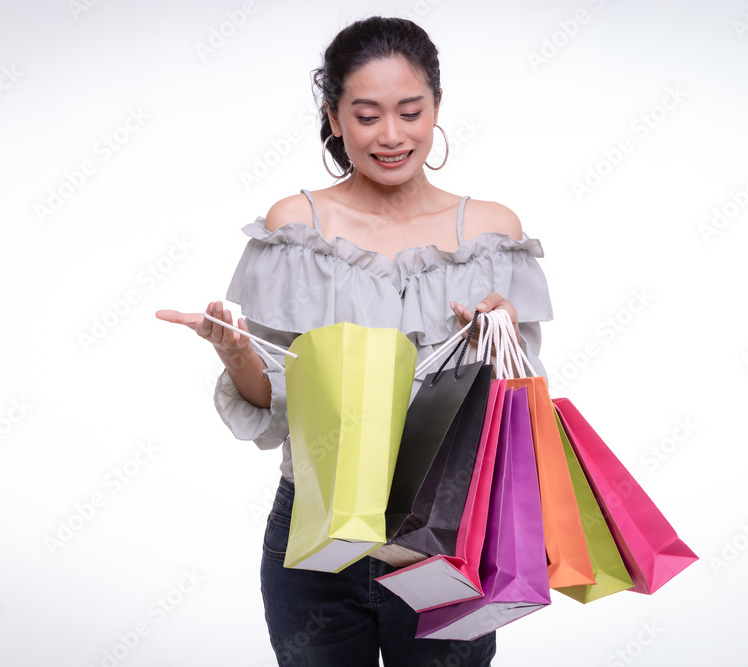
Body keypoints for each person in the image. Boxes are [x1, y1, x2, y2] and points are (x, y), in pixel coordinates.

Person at [156, 15, 553, 666]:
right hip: (316, 532)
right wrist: (236, 353)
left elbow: (518, 406)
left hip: (446, 532)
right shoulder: (298, 227)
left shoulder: (489, 230)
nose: (391, 135)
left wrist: (499, 332)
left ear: (437, 109)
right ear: (334, 118)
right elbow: (278, 405)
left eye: (410, 111)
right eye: (366, 115)